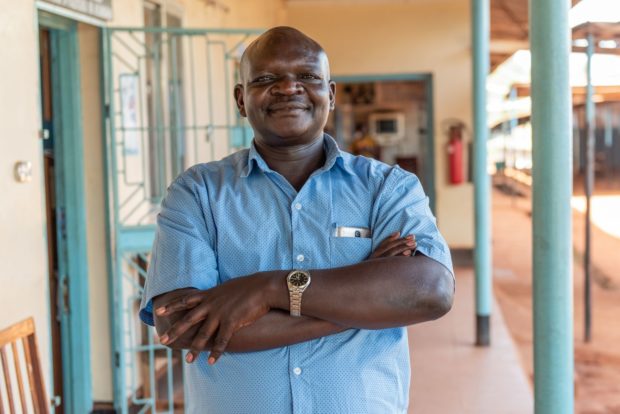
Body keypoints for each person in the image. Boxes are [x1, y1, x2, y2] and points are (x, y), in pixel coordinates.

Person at [139, 26, 454, 414]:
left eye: (307, 76)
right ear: (241, 99)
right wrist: (362, 303)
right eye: (266, 78)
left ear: (331, 95)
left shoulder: (388, 188)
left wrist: (269, 289)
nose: (289, 88)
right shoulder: (197, 193)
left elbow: (431, 291)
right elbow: (180, 325)